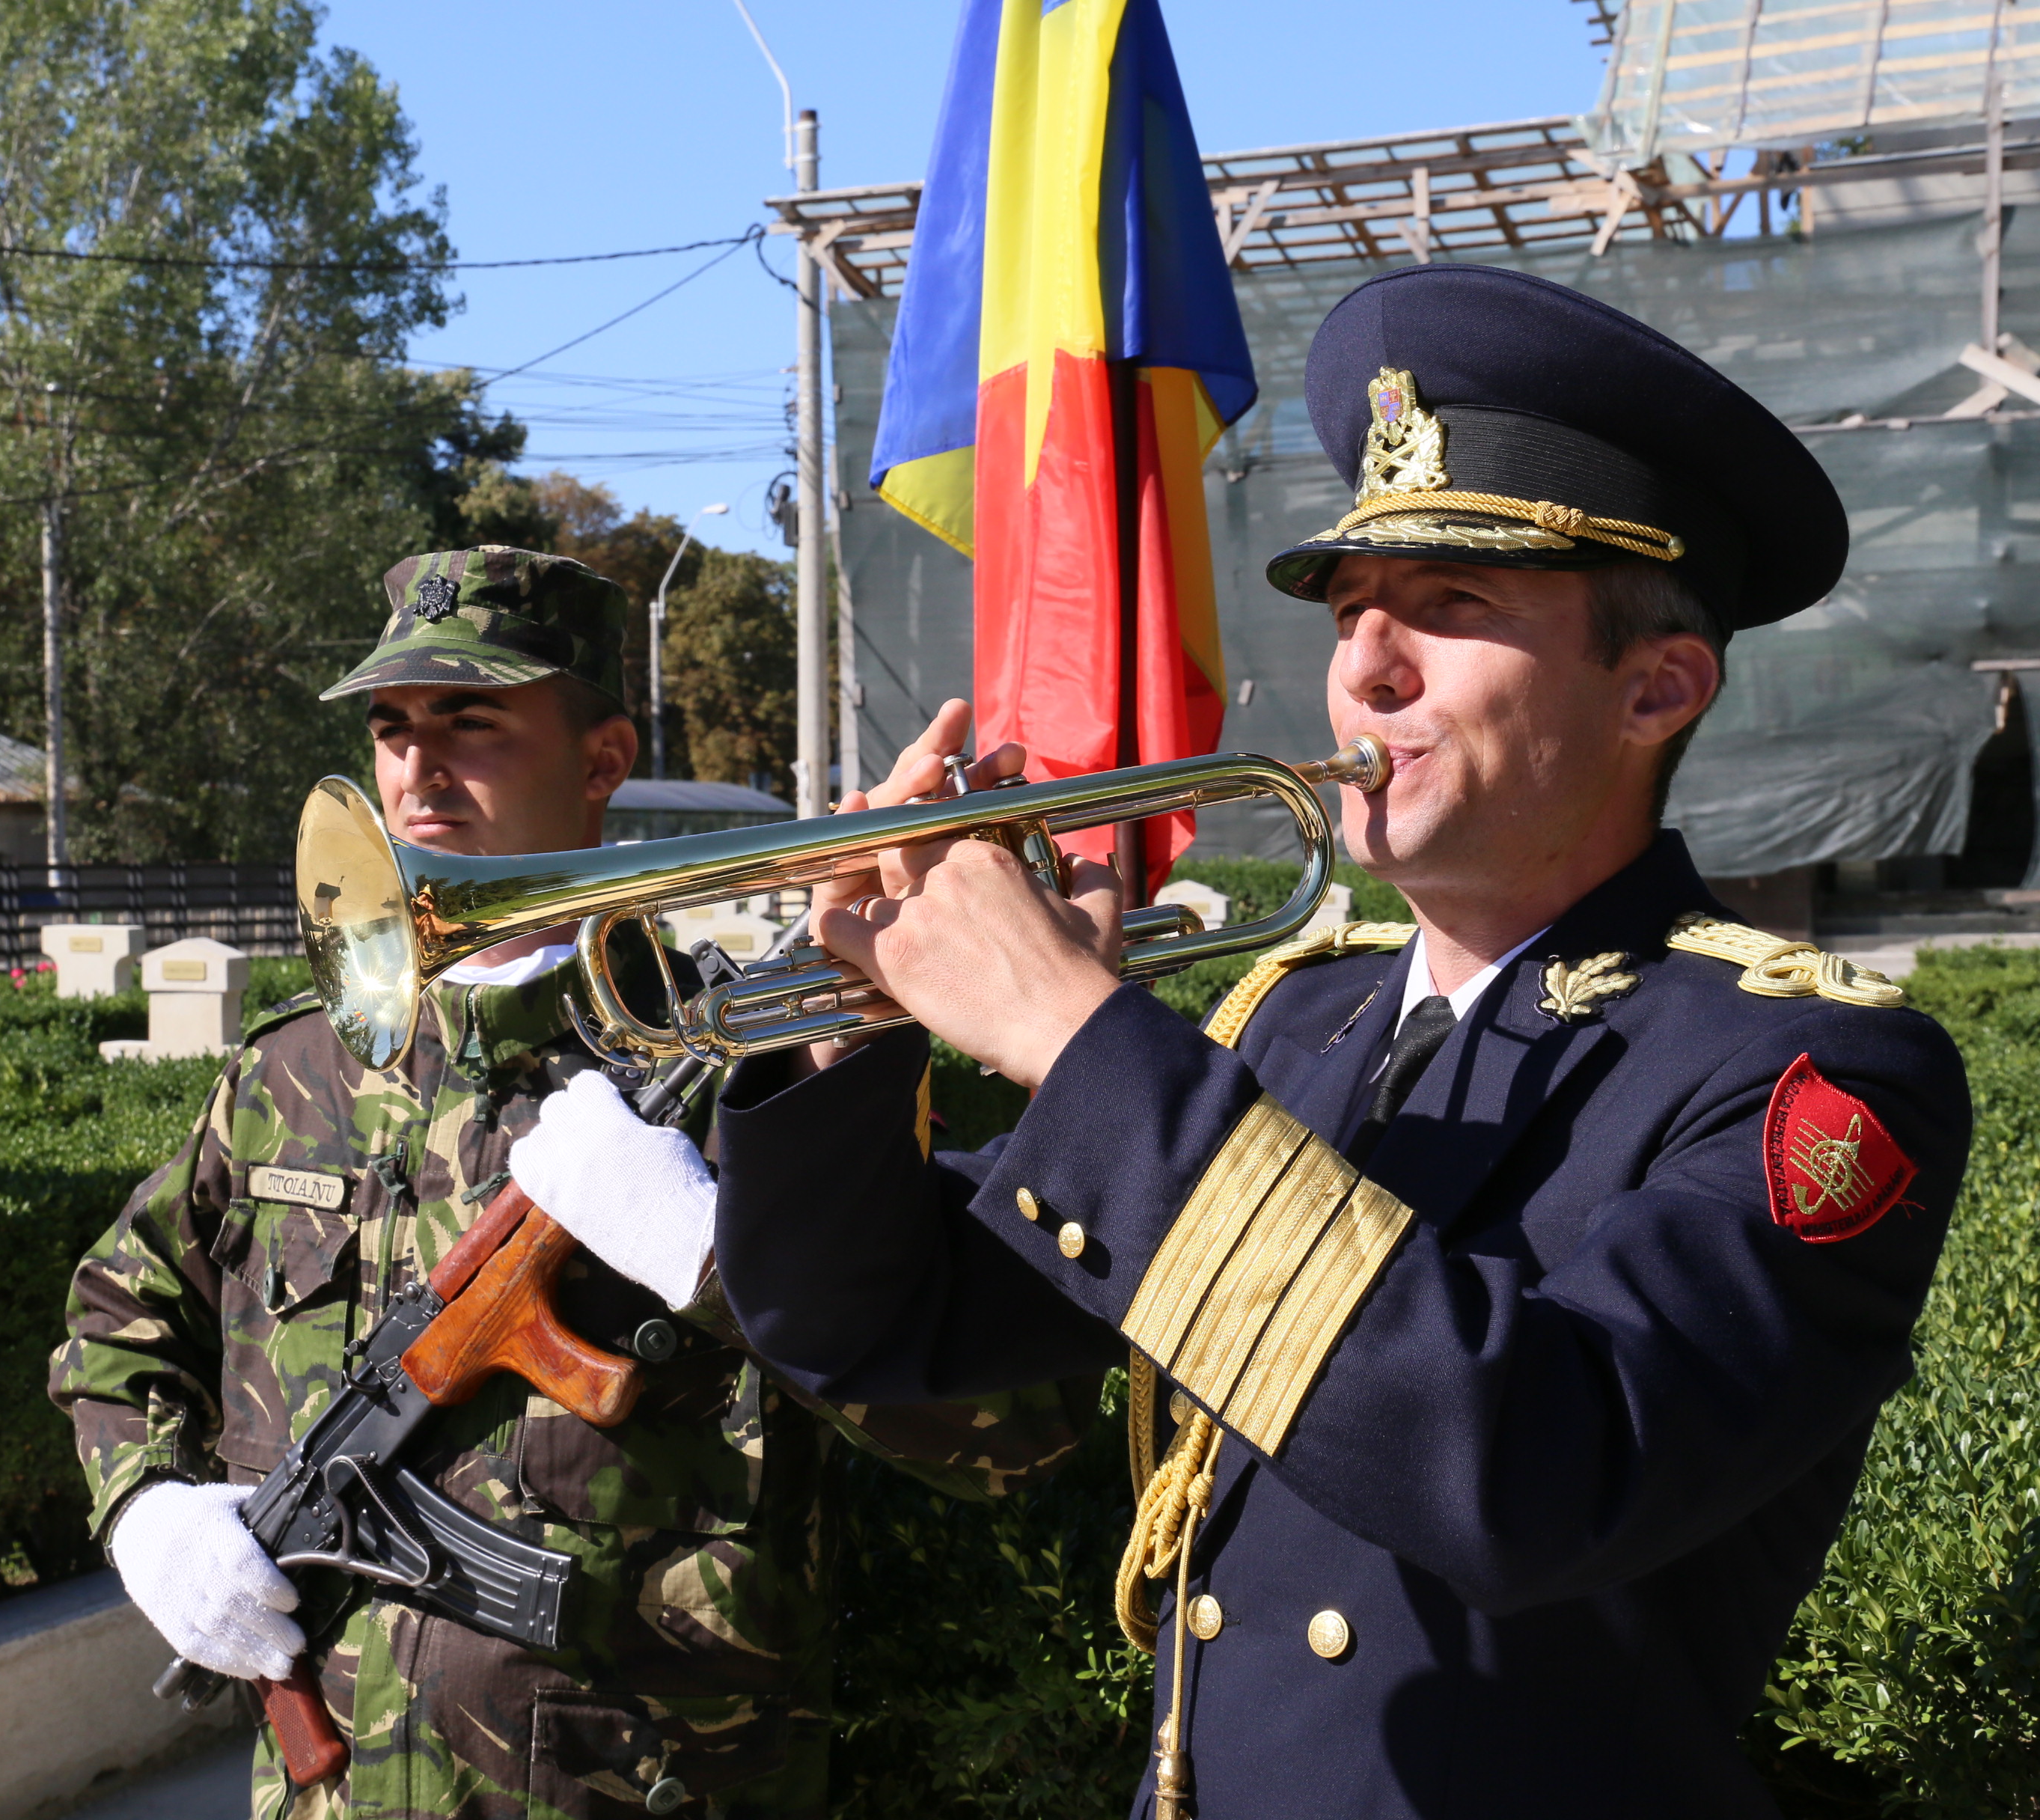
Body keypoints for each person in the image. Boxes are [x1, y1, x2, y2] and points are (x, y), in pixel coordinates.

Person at [510, 267, 1973, 1818]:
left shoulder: (1806, 1075)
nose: (1368, 666)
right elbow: (885, 1328)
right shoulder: (1301, 1014)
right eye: (1352, 610)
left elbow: (1542, 1470)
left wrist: (1076, 1035)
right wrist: (855, 1044)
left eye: (1453, 606)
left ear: (1658, 687)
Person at [48, 544, 1090, 1820]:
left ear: (603, 759)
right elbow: (120, 1306)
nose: (418, 770)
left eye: (472, 722)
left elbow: (1012, 1435)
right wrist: (147, 1509)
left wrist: (723, 1261)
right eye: (391, 728)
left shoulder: (770, 1064)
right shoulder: (294, 1071)